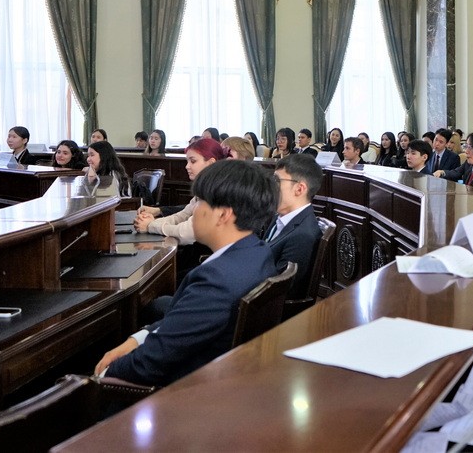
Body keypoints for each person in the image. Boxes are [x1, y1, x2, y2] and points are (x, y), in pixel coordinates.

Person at [95, 160, 277, 386]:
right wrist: (137, 338)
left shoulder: (216, 282)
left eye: (200, 202)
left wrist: (100, 377)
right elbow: (180, 323)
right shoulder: (257, 251)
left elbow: (151, 362)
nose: (194, 211)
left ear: (223, 215)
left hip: (182, 389)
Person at [134, 138, 229, 243]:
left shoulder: (218, 191)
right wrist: (150, 222)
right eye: (187, 161)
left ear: (211, 163)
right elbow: (181, 216)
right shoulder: (206, 188)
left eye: (193, 161)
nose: (187, 166)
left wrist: (151, 225)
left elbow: (186, 233)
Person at [269, 155, 324, 298]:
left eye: (277, 181)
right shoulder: (279, 217)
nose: (271, 187)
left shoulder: (302, 235)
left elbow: (276, 290)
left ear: (299, 189)